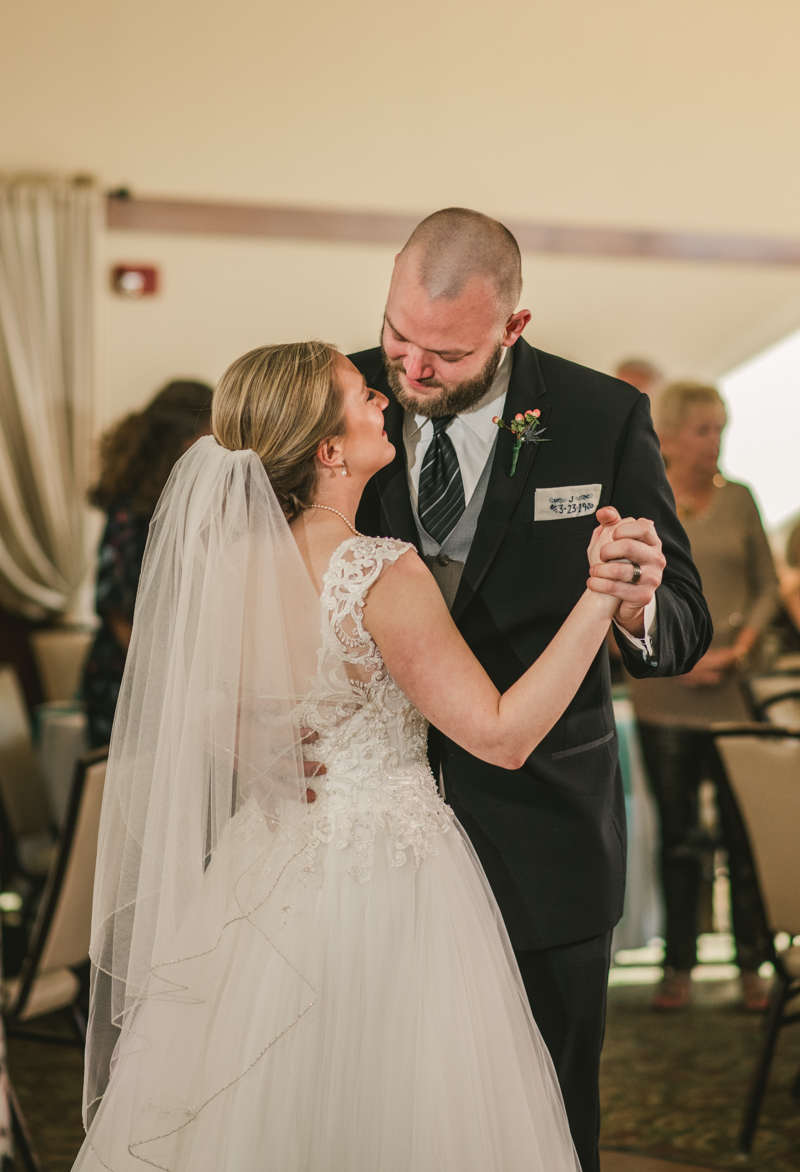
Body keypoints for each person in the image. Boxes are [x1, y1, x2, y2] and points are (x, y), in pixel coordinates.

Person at [74, 341, 628, 1172]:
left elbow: (194, 708)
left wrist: (247, 741)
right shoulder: (376, 570)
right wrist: (600, 600)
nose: (383, 400)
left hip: (262, 870)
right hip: (388, 875)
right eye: (362, 394)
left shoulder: (227, 567)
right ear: (329, 450)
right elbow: (502, 734)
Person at [350, 208, 711, 1172]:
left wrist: (633, 598)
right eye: (398, 336)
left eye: (446, 353)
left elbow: (680, 625)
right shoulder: (336, 397)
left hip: (541, 829)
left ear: (513, 328)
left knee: (545, 1120)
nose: (412, 372)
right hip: (367, 836)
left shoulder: (601, 417)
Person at [629, 382, 778, 1011]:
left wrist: (739, 649)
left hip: (734, 696)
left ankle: (754, 964)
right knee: (679, 836)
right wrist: (672, 656)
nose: (715, 441)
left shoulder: (739, 499)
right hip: (666, 696)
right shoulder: (642, 498)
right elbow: (620, 591)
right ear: (667, 433)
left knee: (748, 836)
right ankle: (679, 966)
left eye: (720, 428)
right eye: (703, 429)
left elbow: (768, 585)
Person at [82, 380, 213, 747]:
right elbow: (117, 609)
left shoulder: (186, 500)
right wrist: (169, 683)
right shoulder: (132, 506)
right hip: (127, 676)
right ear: (182, 438)